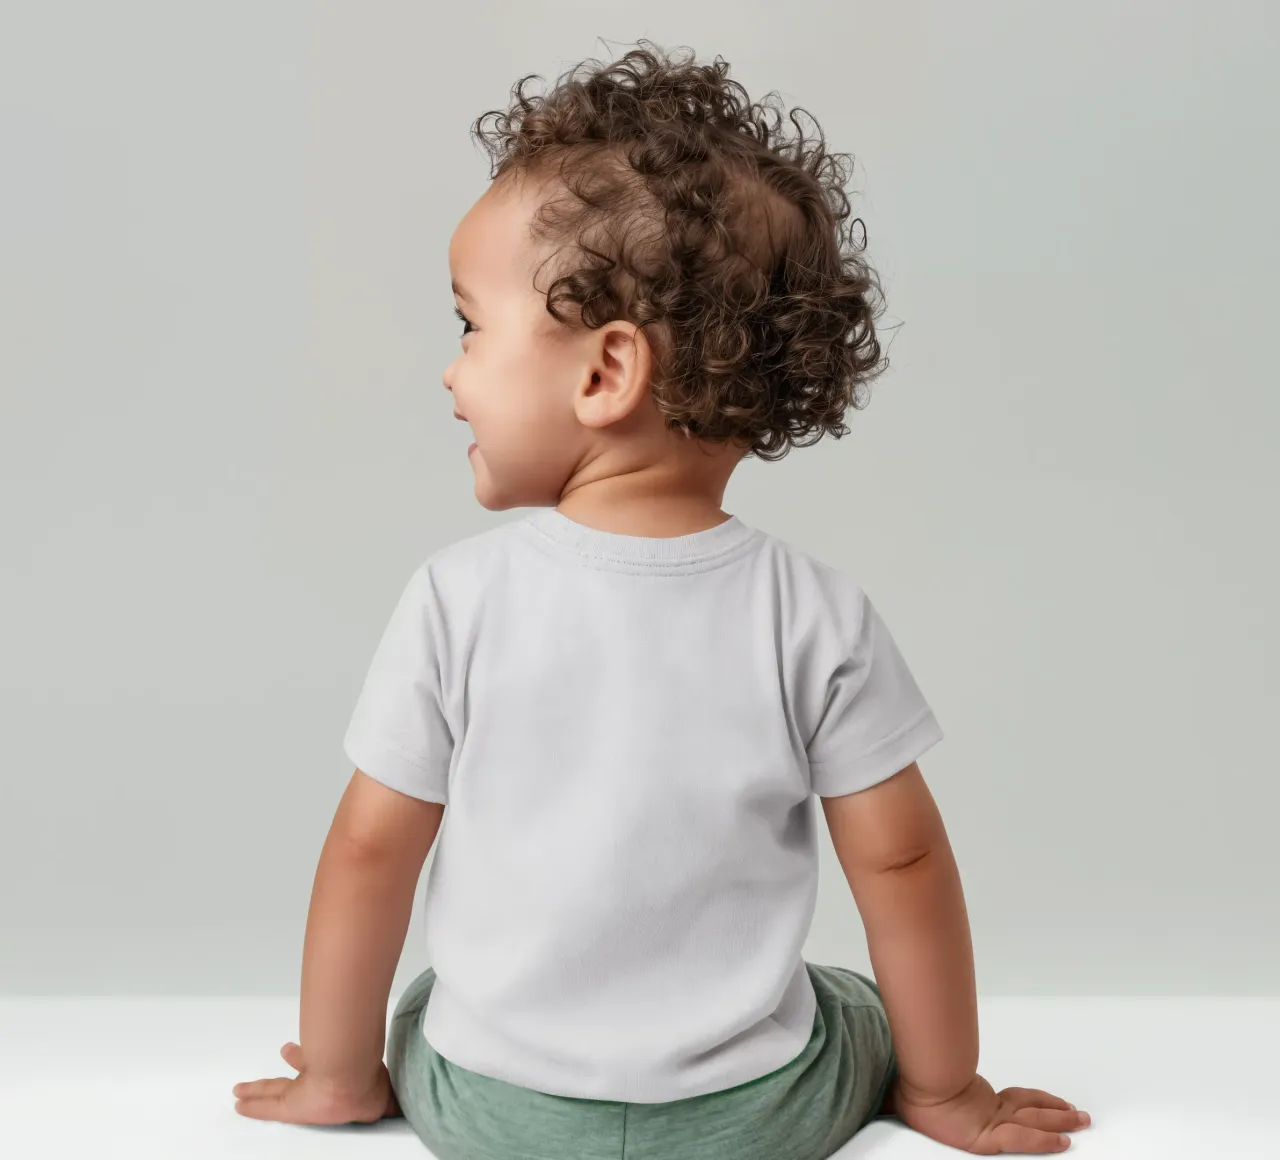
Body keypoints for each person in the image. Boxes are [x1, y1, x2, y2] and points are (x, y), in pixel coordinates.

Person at [231, 40, 1091, 1158]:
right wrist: (943, 1088)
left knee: (436, 997)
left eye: (468, 326)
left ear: (604, 372)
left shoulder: (455, 598)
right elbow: (900, 860)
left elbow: (368, 853)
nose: (451, 371)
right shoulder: (815, 613)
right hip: (755, 1117)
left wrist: (342, 1075)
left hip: (496, 1111)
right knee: (841, 1003)